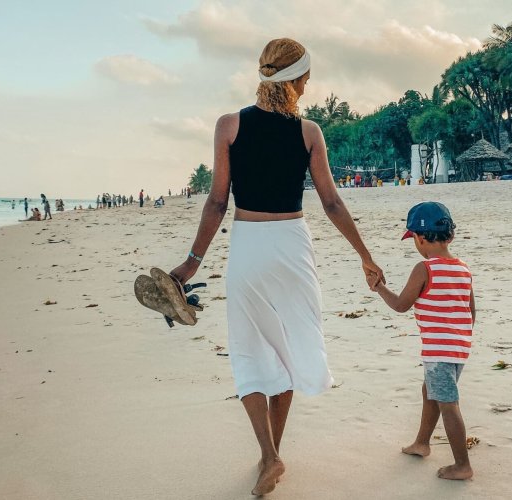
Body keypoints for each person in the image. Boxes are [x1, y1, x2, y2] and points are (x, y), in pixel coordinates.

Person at [166, 38, 382, 497]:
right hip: (293, 247)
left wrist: (192, 262)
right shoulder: (309, 132)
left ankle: (268, 454)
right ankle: (272, 454)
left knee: (248, 348)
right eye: (306, 76)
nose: (308, 82)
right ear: (298, 79)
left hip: (249, 247)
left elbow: (217, 201)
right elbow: (331, 202)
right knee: (287, 349)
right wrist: (365, 255)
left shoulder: (229, 126)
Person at [366, 201, 475, 481]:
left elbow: (402, 305)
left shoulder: (425, 269)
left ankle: (462, 464)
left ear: (421, 237)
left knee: (447, 403)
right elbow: (470, 311)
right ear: (450, 235)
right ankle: (422, 443)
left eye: (414, 238)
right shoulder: (463, 268)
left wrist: (379, 288)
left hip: (439, 350)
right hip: (458, 348)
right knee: (431, 392)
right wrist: (456, 337)